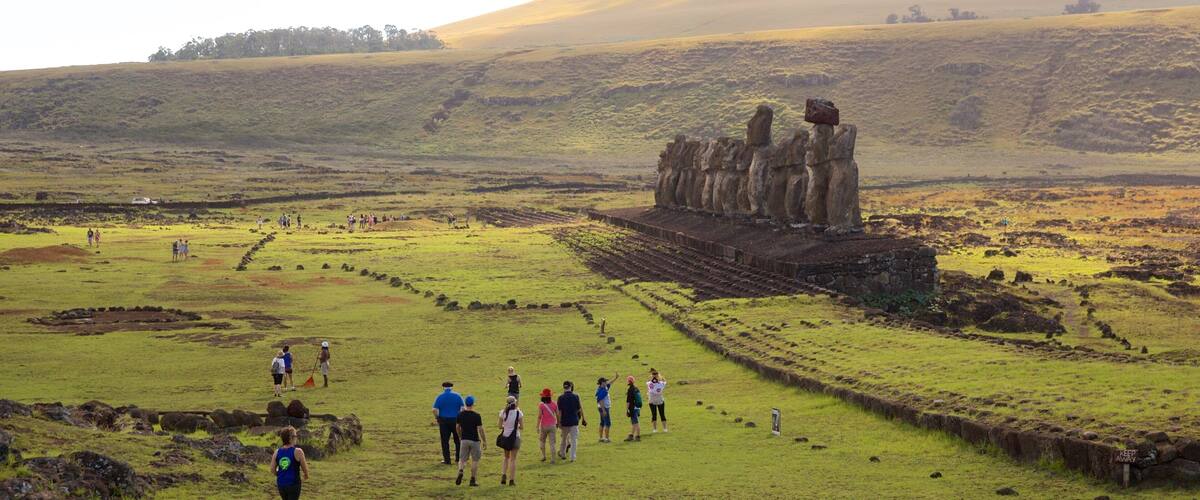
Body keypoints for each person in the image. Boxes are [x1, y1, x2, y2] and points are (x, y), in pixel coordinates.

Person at [455, 395, 485, 487]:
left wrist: (460, 436)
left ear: (465, 403)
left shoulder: (460, 414)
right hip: (475, 440)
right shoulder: (477, 416)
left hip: (464, 439)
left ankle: (461, 470)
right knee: (475, 460)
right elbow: (480, 429)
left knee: (462, 459)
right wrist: (484, 441)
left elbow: (457, 427)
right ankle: (472, 480)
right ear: (473, 404)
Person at [432, 382, 465, 465]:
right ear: (452, 387)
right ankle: (458, 458)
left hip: (444, 421)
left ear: (443, 387)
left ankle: (447, 460)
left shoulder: (440, 396)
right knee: (457, 440)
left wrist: (437, 417)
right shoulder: (457, 396)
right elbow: (463, 408)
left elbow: (434, 410)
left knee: (445, 441)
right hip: (455, 420)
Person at [273, 426, 309, 500]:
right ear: (291, 438)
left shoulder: (277, 452)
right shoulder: (298, 451)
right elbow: (304, 468)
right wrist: (306, 475)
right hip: (293, 484)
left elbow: (272, 469)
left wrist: (280, 474)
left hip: (281, 484)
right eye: (295, 436)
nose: (296, 438)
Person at [556, 381, 585, 462]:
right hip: (574, 421)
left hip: (564, 421)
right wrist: (583, 418)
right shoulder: (576, 396)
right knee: (574, 439)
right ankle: (572, 457)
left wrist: (559, 422)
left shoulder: (560, 397)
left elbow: (560, 412)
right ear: (571, 386)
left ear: (563, 387)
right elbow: (579, 409)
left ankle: (563, 454)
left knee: (564, 439)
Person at [497, 395, 523, 486]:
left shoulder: (502, 412)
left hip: (505, 437)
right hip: (515, 437)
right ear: (515, 402)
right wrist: (516, 426)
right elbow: (522, 427)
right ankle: (511, 480)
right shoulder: (518, 413)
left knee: (506, 457)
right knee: (513, 459)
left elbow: (500, 426)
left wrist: (506, 426)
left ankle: (503, 475)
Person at [536, 388, 558, 462]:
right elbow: (557, 414)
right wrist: (558, 422)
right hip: (552, 425)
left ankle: (543, 456)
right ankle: (553, 459)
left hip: (544, 425)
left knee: (542, 441)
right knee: (552, 443)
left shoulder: (541, 405)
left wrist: (537, 426)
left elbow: (539, 416)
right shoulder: (554, 404)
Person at [595, 374, 618, 443]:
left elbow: (610, 383)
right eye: (605, 381)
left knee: (602, 423)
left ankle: (601, 438)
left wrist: (615, 378)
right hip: (604, 408)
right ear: (602, 383)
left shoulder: (603, 388)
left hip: (601, 408)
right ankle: (607, 438)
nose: (606, 382)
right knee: (607, 423)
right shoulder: (602, 390)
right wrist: (604, 410)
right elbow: (600, 400)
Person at [625, 375, 642, 441]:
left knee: (636, 422)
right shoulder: (636, 388)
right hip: (637, 407)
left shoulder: (630, 389)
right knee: (634, 422)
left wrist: (626, 410)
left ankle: (638, 436)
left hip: (632, 408)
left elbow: (628, 401)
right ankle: (631, 435)